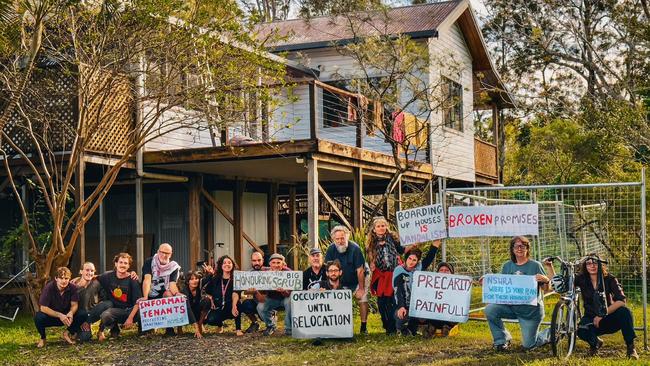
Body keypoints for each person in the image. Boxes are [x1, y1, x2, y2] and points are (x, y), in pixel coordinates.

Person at [544, 254, 638, 359]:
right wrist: (549, 266)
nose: (592, 266)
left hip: (608, 316)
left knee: (625, 312)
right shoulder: (581, 279)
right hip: (591, 318)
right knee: (580, 330)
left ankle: (631, 348)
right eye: (589, 263)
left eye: (595, 263)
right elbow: (560, 287)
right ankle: (595, 343)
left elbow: (621, 301)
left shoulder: (610, 279)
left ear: (600, 264)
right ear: (585, 266)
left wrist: (602, 314)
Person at [484, 236, 550, 351]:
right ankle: (502, 341)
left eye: (522, 246)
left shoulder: (535, 265)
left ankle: (552, 332)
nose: (519, 248)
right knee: (490, 309)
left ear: (527, 249)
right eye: (516, 246)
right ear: (512, 249)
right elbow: (503, 288)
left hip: (530, 312)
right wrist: (488, 283)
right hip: (512, 308)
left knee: (529, 345)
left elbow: (546, 289)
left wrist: (545, 280)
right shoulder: (507, 266)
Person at [142, 243, 198, 336]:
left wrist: (176, 294)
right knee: (144, 331)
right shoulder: (150, 262)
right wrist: (145, 297)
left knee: (169, 295)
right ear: (158, 252)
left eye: (167, 253)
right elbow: (147, 280)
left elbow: (172, 284)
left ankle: (169, 327)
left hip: (164, 292)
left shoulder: (173, 267)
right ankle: (148, 327)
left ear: (171, 254)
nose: (164, 255)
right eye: (162, 252)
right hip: (150, 292)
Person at [325, 225, 369, 334]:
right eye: (337, 239)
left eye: (342, 238)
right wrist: (331, 287)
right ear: (333, 239)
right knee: (338, 300)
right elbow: (329, 270)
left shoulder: (355, 248)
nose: (340, 241)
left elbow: (360, 270)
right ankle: (341, 327)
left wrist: (361, 289)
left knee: (362, 298)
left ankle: (363, 327)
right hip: (342, 278)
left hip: (360, 276)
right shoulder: (331, 249)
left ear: (347, 237)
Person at [393, 241, 440, 336]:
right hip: (403, 304)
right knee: (400, 316)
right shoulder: (399, 270)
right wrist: (401, 306)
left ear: (417, 261)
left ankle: (415, 329)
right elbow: (398, 290)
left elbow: (429, 258)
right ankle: (400, 329)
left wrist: (435, 244)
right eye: (410, 258)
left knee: (426, 317)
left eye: (414, 260)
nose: (411, 262)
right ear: (406, 258)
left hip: (417, 305)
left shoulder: (419, 268)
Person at [366, 217, 404, 334]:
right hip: (380, 275)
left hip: (394, 273)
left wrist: (413, 244)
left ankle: (393, 327)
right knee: (382, 303)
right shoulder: (371, 243)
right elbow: (371, 258)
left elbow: (402, 250)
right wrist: (371, 263)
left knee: (393, 300)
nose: (381, 228)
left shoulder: (393, 238)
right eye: (378, 226)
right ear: (374, 229)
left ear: (386, 227)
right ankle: (386, 324)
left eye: (383, 226)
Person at [34, 267, 86, 348]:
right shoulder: (49, 288)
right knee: (38, 317)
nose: (64, 281)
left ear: (69, 279)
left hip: (67, 317)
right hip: (52, 316)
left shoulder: (73, 287)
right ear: (56, 278)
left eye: (66, 278)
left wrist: (71, 313)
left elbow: (74, 304)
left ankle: (67, 333)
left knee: (83, 313)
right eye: (61, 278)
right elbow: (43, 308)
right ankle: (43, 338)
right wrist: (59, 315)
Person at [96, 253, 143, 341]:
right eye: (121, 262)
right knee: (105, 315)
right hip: (117, 311)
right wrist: (77, 279)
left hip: (131, 311)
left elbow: (138, 301)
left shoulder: (133, 280)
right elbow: (94, 277)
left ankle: (143, 330)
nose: (122, 265)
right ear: (116, 263)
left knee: (143, 311)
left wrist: (130, 318)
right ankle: (114, 329)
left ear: (129, 266)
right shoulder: (108, 276)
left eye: (125, 263)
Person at [203, 255, 243, 336]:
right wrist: (211, 299)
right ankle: (220, 325)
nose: (227, 264)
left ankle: (238, 329)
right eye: (224, 263)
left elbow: (236, 293)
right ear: (221, 266)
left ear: (233, 265)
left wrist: (234, 305)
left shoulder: (236, 278)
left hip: (231, 306)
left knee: (238, 304)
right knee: (211, 319)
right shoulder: (216, 278)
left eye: (229, 262)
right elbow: (207, 290)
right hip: (219, 306)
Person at [71, 262, 110, 342]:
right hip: (80, 316)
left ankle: (100, 330)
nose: (89, 273)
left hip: (92, 314)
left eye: (92, 271)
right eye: (87, 270)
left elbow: (104, 298)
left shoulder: (96, 283)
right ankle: (75, 331)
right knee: (85, 338)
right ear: (81, 271)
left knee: (108, 304)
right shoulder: (73, 285)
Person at [258, 253, 292, 336]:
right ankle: (271, 326)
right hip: (272, 299)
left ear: (283, 264)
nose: (276, 265)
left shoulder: (288, 272)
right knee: (260, 307)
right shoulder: (265, 272)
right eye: (273, 263)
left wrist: (283, 290)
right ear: (270, 264)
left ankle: (289, 328)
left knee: (290, 302)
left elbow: (290, 293)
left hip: (285, 298)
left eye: (278, 263)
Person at [428, 261, 458, 337]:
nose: (443, 272)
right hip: (434, 316)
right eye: (441, 270)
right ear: (437, 272)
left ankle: (447, 328)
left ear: (451, 273)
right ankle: (432, 327)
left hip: (449, 316)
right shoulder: (430, 285)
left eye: (447, 270)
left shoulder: (458, 286)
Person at [239, 251, 265, 333]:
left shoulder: (269, 271)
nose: (256, 263)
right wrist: (249, 291)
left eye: (259, 260)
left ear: (263, 261)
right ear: (251, 261)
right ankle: (255, 323)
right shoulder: (248, 274)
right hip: (256, 300)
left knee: (265, 308)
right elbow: (245, 291)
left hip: (269, 302)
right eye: (254, 261)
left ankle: (271, 322)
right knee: (245, 304)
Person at [181, 270, 208, 338]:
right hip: (186, 311)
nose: (195, 281)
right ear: (188, 281)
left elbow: (208, 280)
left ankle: (200, 324)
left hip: (196, 311)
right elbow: (188, 307)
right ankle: (179, 327)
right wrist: (196, 327)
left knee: (207, 301)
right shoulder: (185, 290)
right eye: (192, 279)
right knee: (182, 307)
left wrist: (210, 273)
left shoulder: (200, 288)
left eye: (196, 278)